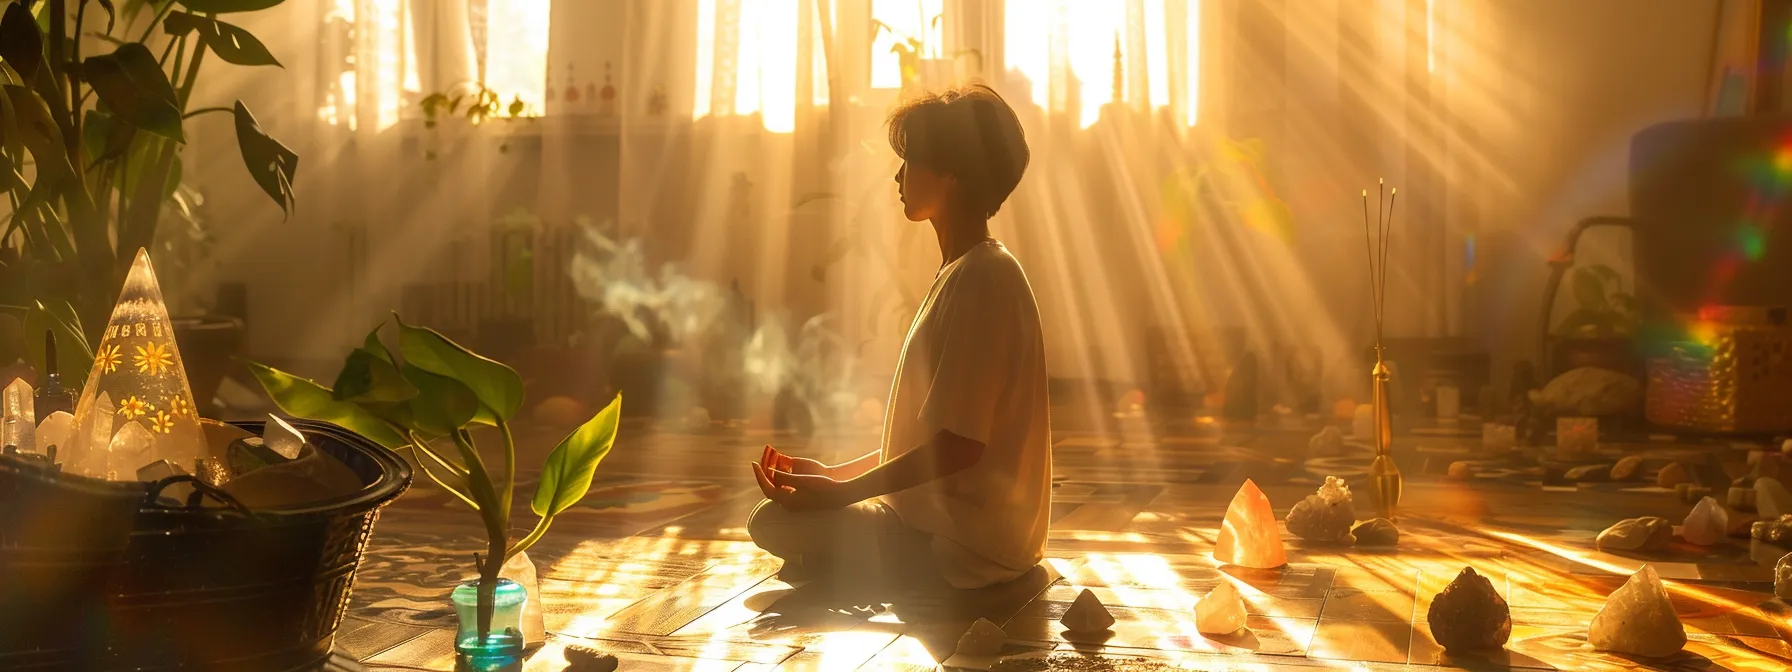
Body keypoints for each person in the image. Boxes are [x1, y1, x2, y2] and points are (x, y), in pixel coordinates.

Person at [746, 85, 1050, 590]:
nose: (897, 175)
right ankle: (873, 562)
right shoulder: (967, 269)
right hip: (956, 523)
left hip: (972, 543)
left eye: (909, 161)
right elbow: (935, 441)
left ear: (951, 172)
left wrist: (842, 495)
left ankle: (901, 567)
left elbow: (960, 447)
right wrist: (837, 475)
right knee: (780, 521)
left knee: (771, 523)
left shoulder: (984, 278)